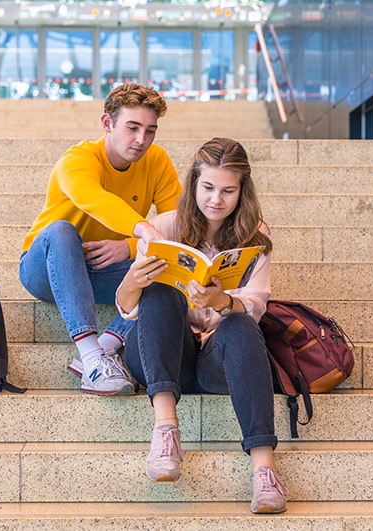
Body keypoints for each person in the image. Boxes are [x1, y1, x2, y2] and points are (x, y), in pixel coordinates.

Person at [116, 137, 288, 514]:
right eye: (208, 187)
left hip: (215, 363)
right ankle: (166, 432)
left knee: (242, 324)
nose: (216, 199)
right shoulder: (163, 227)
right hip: (160, 356)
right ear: (194, 183)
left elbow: (256, 304)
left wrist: (221, 301)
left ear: (243, 192)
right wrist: (134, 280)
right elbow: (127, 308)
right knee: (161, 294)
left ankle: (264, 471)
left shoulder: (255, 237)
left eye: (228, 191)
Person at [19, 83, 182, 396]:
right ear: (107, 123)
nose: (141, 140)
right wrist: (144, 231)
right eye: (132, 128)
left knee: (173, 266)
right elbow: (93, 198)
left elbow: (178, 223)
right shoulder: (77, 159)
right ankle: (91, 356)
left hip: (107, 271)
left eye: (150, 131)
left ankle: (107, 346)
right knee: (61, 230)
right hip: (48, 269)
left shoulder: (157, 161)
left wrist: (129, 247)